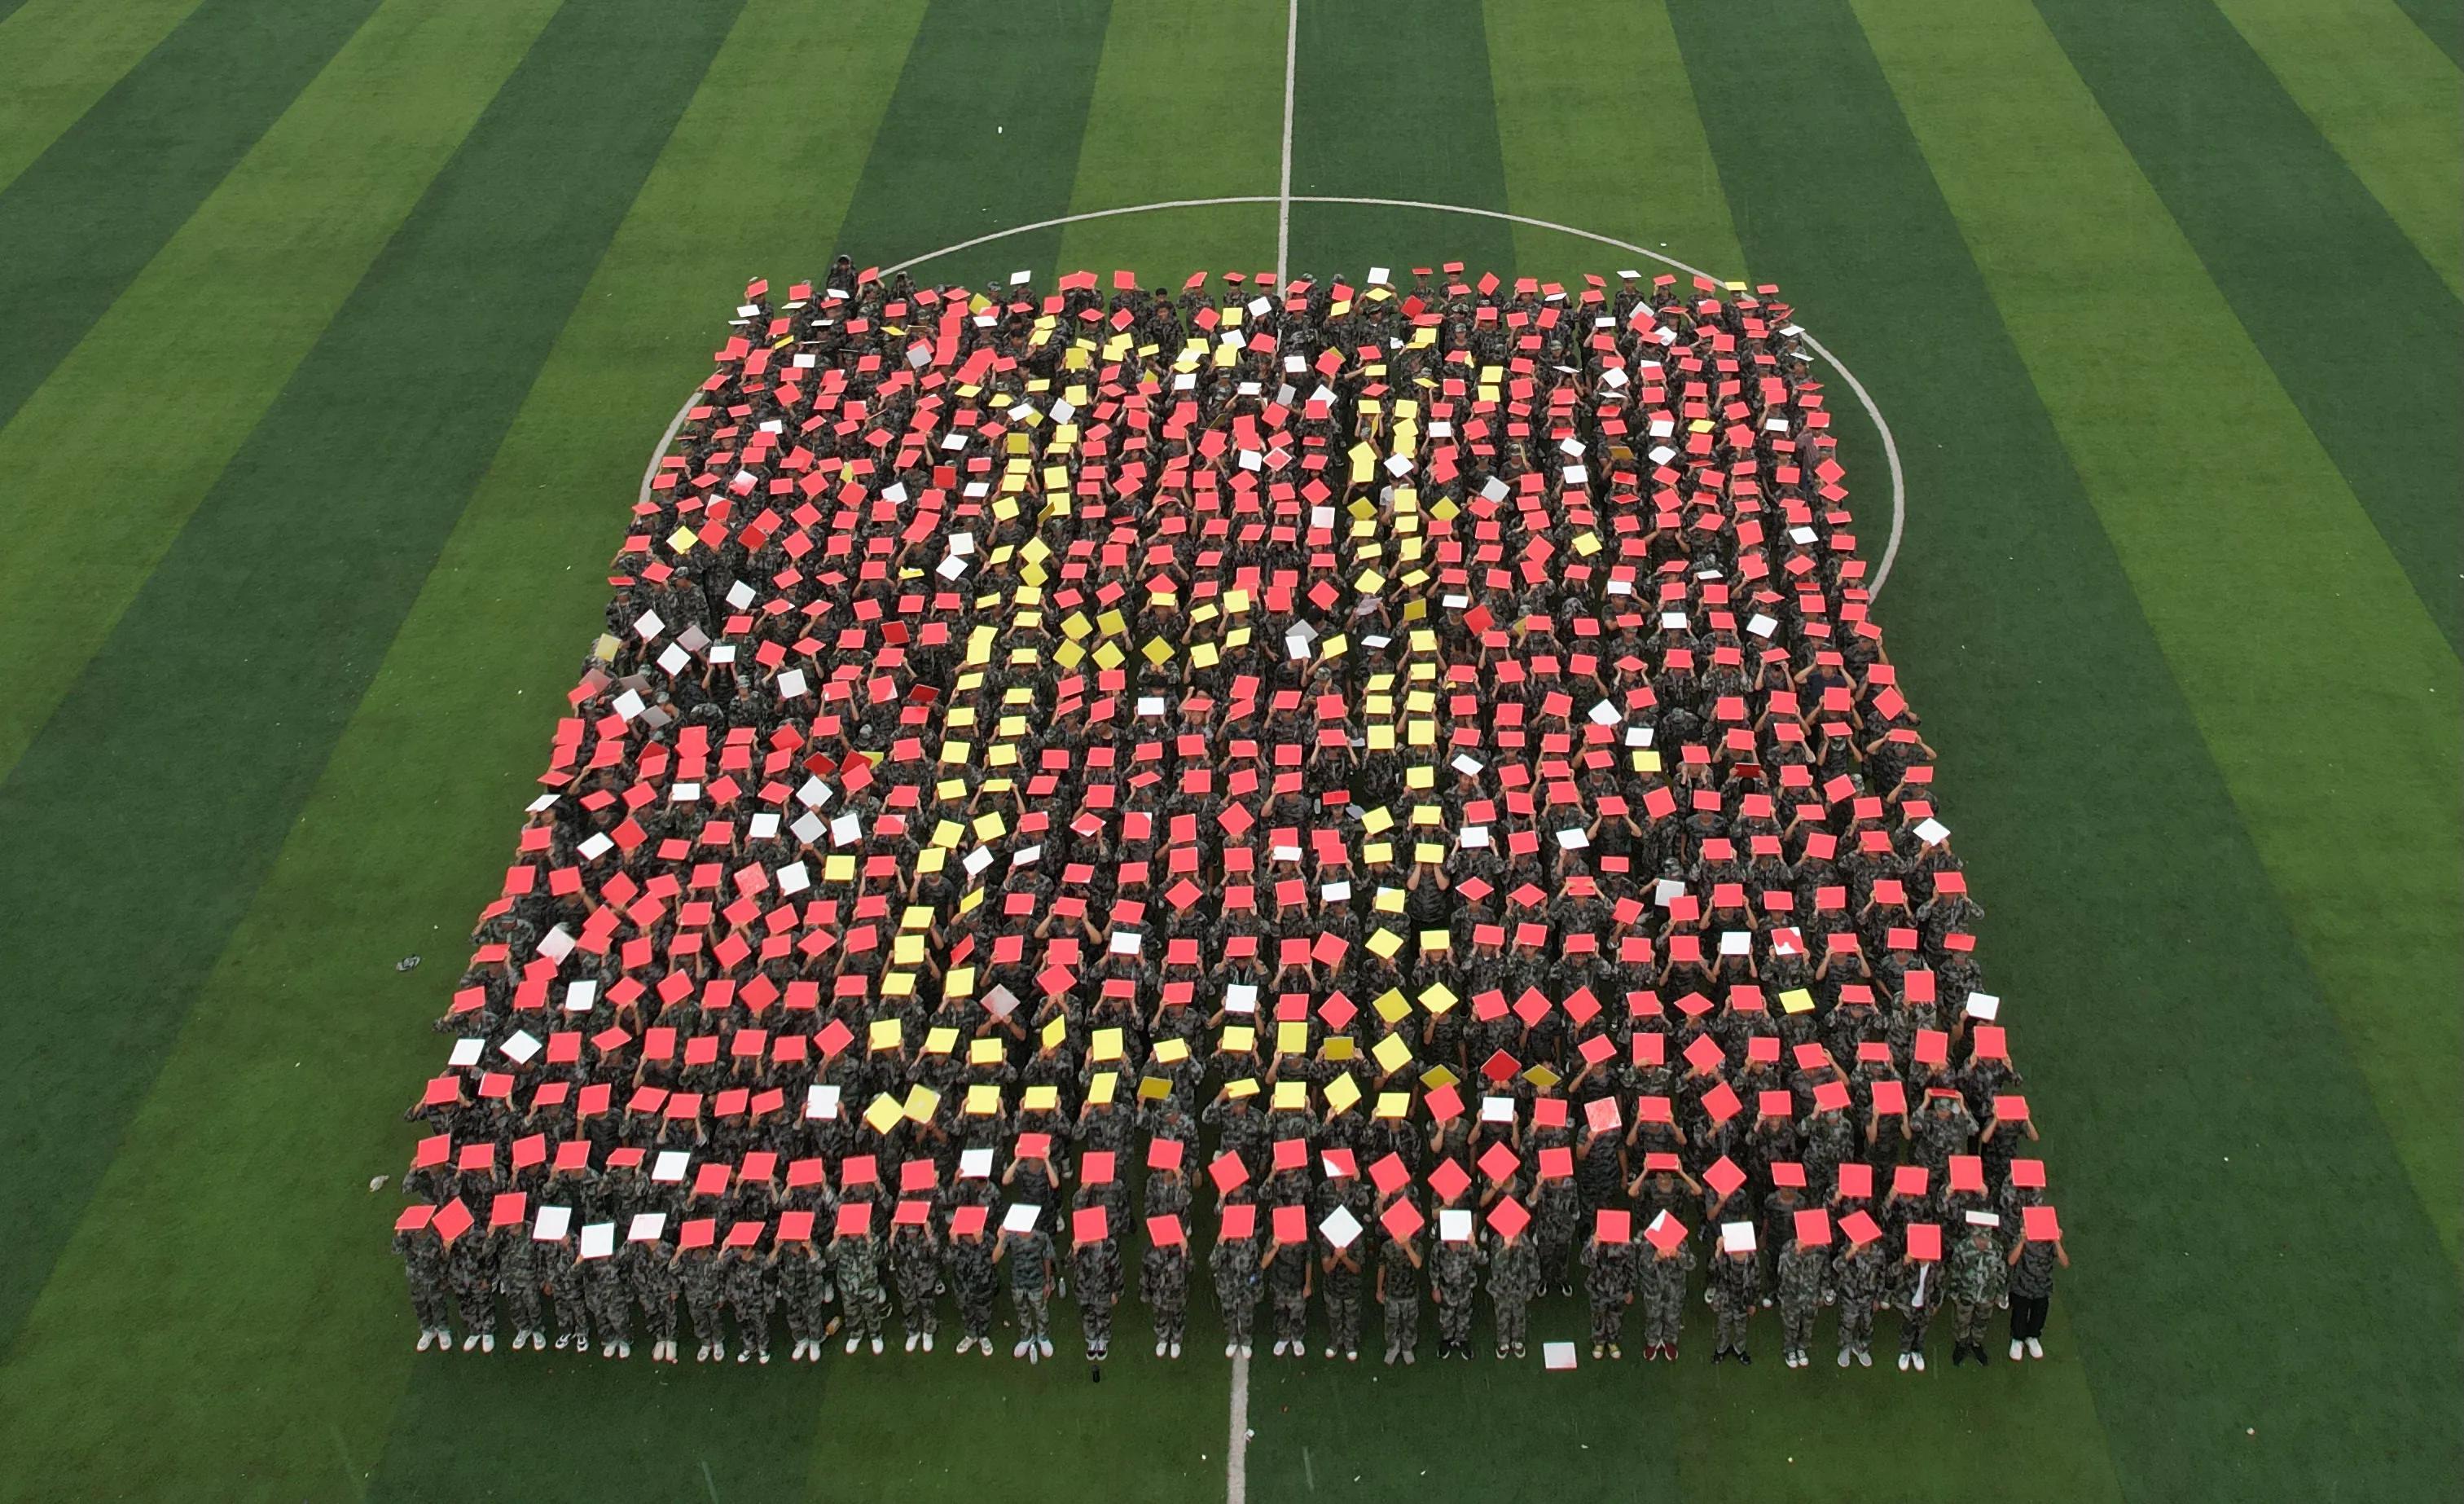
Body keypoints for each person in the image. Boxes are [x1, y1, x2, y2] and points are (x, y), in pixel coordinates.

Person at [1948, 1216, 2009, 1366]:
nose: (1982, 1243)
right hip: (1966, 1293)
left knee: (1982, 1321)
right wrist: (1955, 1292)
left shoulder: (1996, 1249)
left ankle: (1976, 1344)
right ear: (1973, 1235)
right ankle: (1961, 1345)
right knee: (1962, 1321)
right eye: (1979, 1239)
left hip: (1987, 1295)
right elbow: (1955, 1271)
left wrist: (2001, 1293)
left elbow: (2002, 1272)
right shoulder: (1962, 1249)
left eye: (1985, 1239)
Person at [2006, 1212, 2067, 1360]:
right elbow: (2011, 1261)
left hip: (2042, 1288)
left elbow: (2065, 1262)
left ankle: (2032, 1337)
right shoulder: (2023, 1239)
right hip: (2022, 1286)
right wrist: (2022, 1241)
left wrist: (2057, 1241)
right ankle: (2017, 1340)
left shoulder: (2050, 1243)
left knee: (2038, 1316)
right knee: (2019, 1316)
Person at [996, 1212, 1056, 1362]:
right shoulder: (1010, 1237)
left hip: (1037, 1283)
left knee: (1041, 1311)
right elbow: (994, 1258)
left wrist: (1048, 1281)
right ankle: (1027, 1337)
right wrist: (1000, 1239)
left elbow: (1047, 1257)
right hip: (1018, 1283)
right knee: (1022, 1312)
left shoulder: (1042, 1237)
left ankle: (1043, 1337)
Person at [1636, 1215, 1696, 1361]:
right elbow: (1642, 1267)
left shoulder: (1681, 1245)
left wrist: (1678, 1255)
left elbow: (1691, 1264)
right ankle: (1652, 1341)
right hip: (1653, 1291)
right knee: (1652, 1316)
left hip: (1675, 1291)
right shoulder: (1646, 1245)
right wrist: (1655, 1258)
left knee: (1673, 1317)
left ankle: (1670, 1340)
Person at [1581, 1212, 1636, 1360]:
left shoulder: (1627, 1246)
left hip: (1618, 1290)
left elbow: (1631, 1269)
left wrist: (1629, 1290)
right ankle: (1599, 1341)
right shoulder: (1595, 1242)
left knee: (1615, 1316)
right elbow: (1585, 1261)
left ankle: (1612, 1341)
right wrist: (1594, 1245)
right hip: (1597, 1288)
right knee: (1598, 1315)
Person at [1210, 1206, 1262, 1359]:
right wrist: (1219, 1244)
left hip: (1245, 1289)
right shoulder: (1223, 1244)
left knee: (1246, 1316)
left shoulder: (1251, 1244)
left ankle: (1246, 1341)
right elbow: (1212, 1264)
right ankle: (1232, 1340)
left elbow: (1257, 1267)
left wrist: (1256, 1288)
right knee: (1229, 1316)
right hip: (1227, 1289)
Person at [1706, 1223, 1761, 1364]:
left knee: (1741, 1329)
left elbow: (1756, 1282)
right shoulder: (1724, 1256)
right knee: (1723, 1327)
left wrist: (1753, 1303)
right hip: (1726, 1300)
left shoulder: (1753, 1259)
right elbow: (1712, 1271)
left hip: (1742, 1302)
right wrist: (1718, 1250)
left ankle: (1739, 1350)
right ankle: (1721, 1349)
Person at [1141, 1216, 1190, 1358]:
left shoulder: (1179, 1250)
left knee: (1177, 1317)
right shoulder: (1150, 1252)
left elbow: (1190, 1268)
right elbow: (1145, 1274)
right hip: (1159, 1295)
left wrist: (1185, 1251)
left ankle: (1176, 1339)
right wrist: (1145, 1293)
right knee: (1160, 1317)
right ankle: (1162, 1338)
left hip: (1177, 1294)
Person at [1377, 1220, 1423, 1365]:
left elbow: (1418, 1264)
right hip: (1391, 1293)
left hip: (1410, 1294)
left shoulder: (1417, 1246)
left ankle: (1407, 1347)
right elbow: (1382, 1268)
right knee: (1391, 1322)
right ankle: (1393, 1347)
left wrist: (1407, 1246)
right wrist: (1379, 1290)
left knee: (1410, 1322)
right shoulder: (1387, 1247)